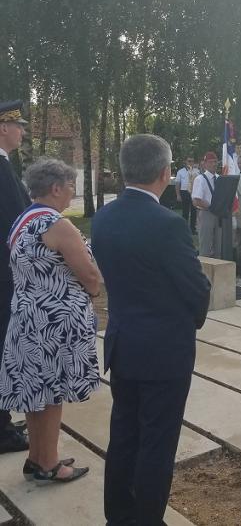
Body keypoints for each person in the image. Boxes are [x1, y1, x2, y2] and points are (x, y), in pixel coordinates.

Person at [92, 134, 211, 525]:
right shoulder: (167, 224)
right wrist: (190, 319)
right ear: (164, 173)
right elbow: (196, 288)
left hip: (124, 344)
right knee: (157, 443)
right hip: (163, 352)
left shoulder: (104, 216)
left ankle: (118, 517)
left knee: (124, 436)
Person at [0, 158, 101, 483]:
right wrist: (94, 288)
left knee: (35, 393)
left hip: (27, 320)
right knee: (53, 393)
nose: (72, 192)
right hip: (55, 325)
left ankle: (37, 457)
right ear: (55, 188)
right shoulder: (57, 224)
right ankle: (51, 464)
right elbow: (87, 273)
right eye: (70, 185)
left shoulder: (22, 220)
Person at [0, 100, 30, 455]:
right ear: (3, 128)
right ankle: (2, 429)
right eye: (17, 125)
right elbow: (15, 223)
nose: (22, 131)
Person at [192, 152, 221, 258]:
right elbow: (196, 200)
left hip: (219, 214)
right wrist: (210, 206)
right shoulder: (200, 179)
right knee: (206, 244)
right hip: (206, 213)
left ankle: (218, 270)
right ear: (204, 164)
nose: (214, 164)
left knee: (219, 245)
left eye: (215, 162)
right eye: (211, 162)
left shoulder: (219, 178)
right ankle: (204, 271)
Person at [175, 156, 199, 234]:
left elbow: (200, 183)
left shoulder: (197, 171)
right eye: (189, 161)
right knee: (185, 211)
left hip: (194, 192)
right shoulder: (180, 172)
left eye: (192, 161)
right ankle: (184, 229)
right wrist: (178, 195)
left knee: (194, 212)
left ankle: (192, 229)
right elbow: (178, 184)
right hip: (184, 192)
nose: (190, 163)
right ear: (185, 162)